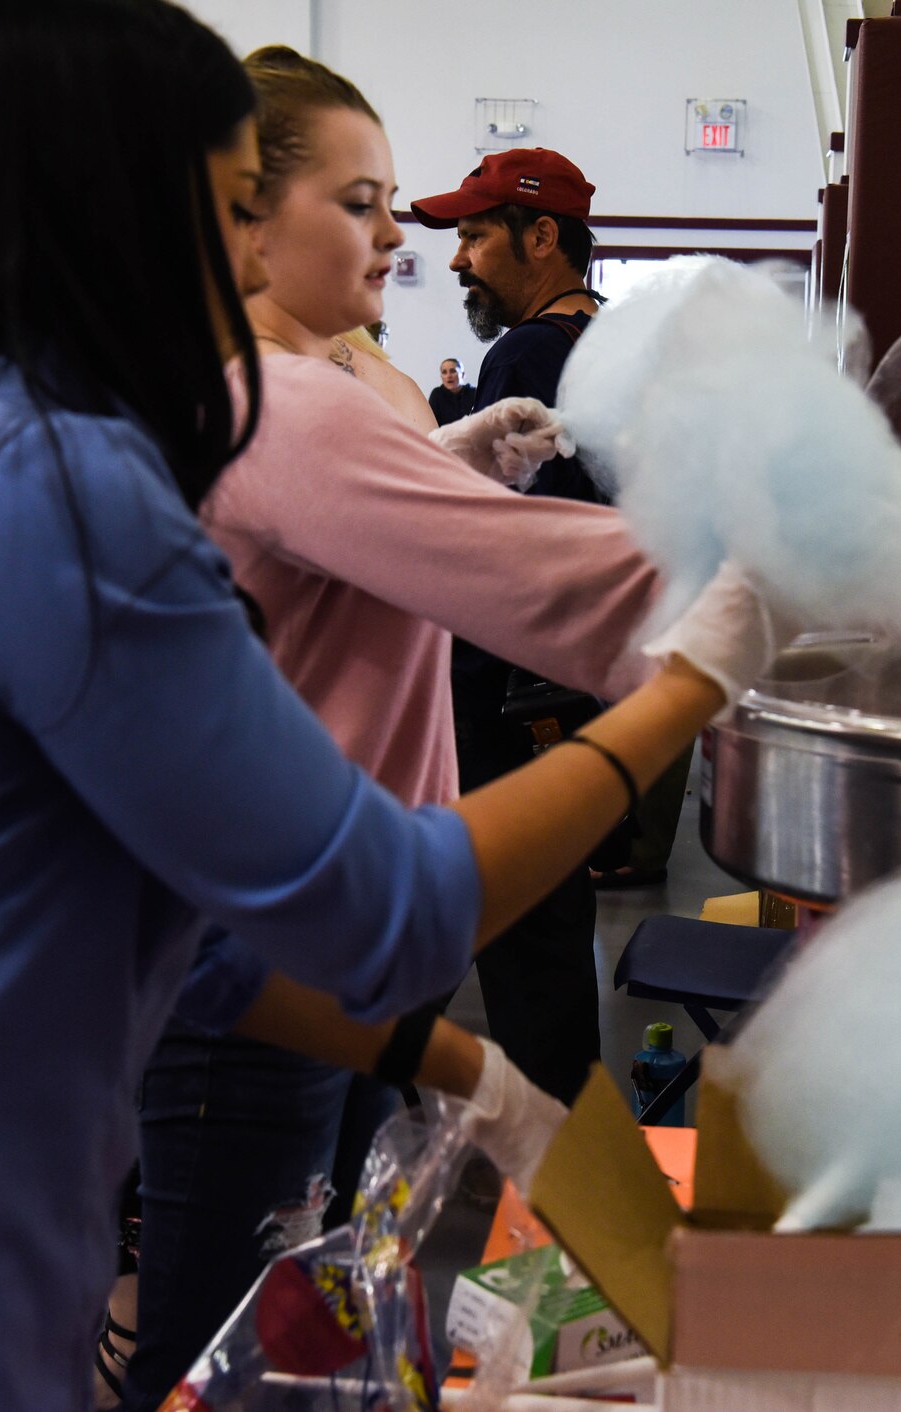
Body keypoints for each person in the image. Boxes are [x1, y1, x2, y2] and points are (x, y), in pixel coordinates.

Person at [0, 6, 782, 1410]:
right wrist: (696, 677)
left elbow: (178, 926)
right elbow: (385, 902)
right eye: (224, 213)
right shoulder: (53, 488)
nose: (244, 258)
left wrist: (446, 1058)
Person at [108, 51, 668, 1409]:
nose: (395, 239)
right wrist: (775, 596)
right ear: (245, 214)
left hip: (333, 936)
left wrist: (450, 466)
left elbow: (348, 546)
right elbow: (548, 587)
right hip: (270, 954)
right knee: (215, 1344)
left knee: (303, 1306)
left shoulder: (313, 381)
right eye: (355, 203)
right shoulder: (275, 396)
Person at [412, 147, 614, 1105]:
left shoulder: (528, 355)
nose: (458, 259)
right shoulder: (612, 344)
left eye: (476, 235)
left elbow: (493, 537)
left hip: (510, 679)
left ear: (544, 237)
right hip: (581, 681)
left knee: (510, 910)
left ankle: (557, 1166)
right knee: (536, 906)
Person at [429, 356, 476, 425]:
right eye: (444, 372)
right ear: (441, 377)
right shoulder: (436, 394)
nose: (448, 376)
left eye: (453, 371)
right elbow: (431, 422)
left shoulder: (474, 393)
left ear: (463, 375)